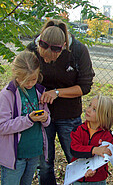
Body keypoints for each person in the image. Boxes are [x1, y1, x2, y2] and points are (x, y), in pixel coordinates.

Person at [26, 19, 95, 185]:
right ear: (40, 45)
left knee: (76, 158)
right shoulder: (32, 49)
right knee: (44, 163)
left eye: (52, 58)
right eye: (44, 58)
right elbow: (24, 78)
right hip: (42, 114)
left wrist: (57, 93)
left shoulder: (78, 51)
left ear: (63, 46)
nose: (48, 61)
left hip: (68, 114)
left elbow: (85, 86)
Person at [0, 51, 50, 185]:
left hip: (34, 152)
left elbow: (47, 119)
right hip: (15, 157)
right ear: (16, 74)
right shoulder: (7, 95)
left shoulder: (40, 91)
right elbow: (2, 126)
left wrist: (45, 118)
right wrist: (28, 119)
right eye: (25, 80)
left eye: (33, 79)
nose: (29, 84)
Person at [70, 94, 113, 184]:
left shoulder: (107, 136)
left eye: (94, 110)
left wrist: (94, 170)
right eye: (89, 105)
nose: (88, 110)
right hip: (78, 175)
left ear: (104, 115)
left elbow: (105, 157)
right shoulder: (79, 129)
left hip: (97, 179)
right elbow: (74, 149)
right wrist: (94, 150)